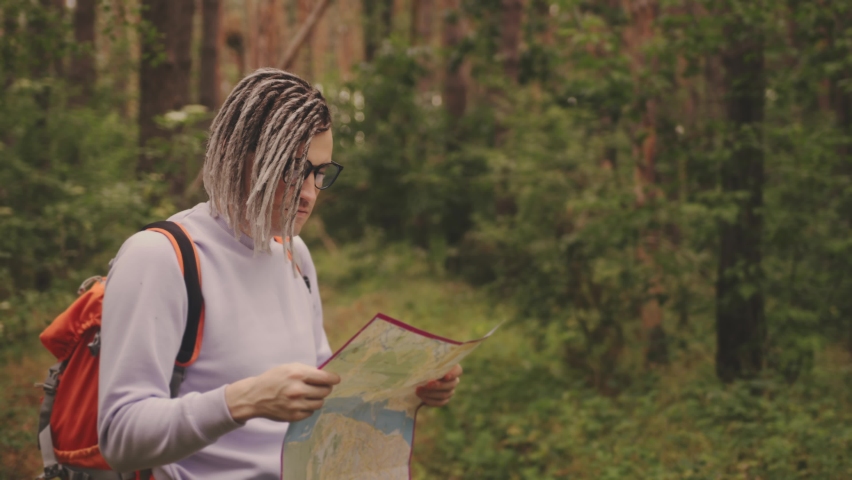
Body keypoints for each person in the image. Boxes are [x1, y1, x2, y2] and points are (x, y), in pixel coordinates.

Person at [97, 68, 462, 479]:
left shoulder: (294, 254)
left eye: (319, 173)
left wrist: (404, 387)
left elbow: (320, 383)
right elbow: (118, 437)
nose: (308, 192)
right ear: (238, 154)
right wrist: (242, 401)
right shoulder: (161, 257)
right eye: (291, 167)